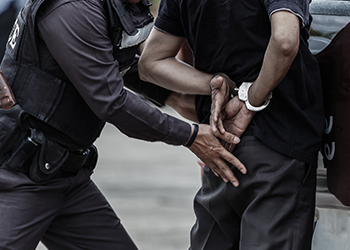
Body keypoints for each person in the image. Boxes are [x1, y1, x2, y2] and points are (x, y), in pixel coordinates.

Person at [0, 0, 247, 249]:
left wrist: (187, 99)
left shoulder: (114, 7)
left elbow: (119, 63)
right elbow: (111, 102)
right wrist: (191, 136)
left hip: (66, 174)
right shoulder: (73, 8)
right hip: (18, 175)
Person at [139, 0, 325, 249]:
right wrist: (250, 98)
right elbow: (284, 41)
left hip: (220, 147)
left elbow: (151, 63)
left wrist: (216, 84)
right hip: (279, 143)